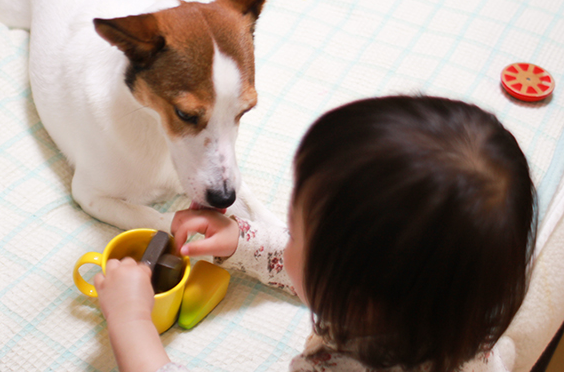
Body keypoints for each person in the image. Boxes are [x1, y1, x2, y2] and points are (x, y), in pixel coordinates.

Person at [94, 95, 537, 372]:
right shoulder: (459, 310)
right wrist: (242, 242)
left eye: (296, 233)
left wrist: (131, 322)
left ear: (352, 298)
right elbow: (349, 270)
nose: (285, 237)